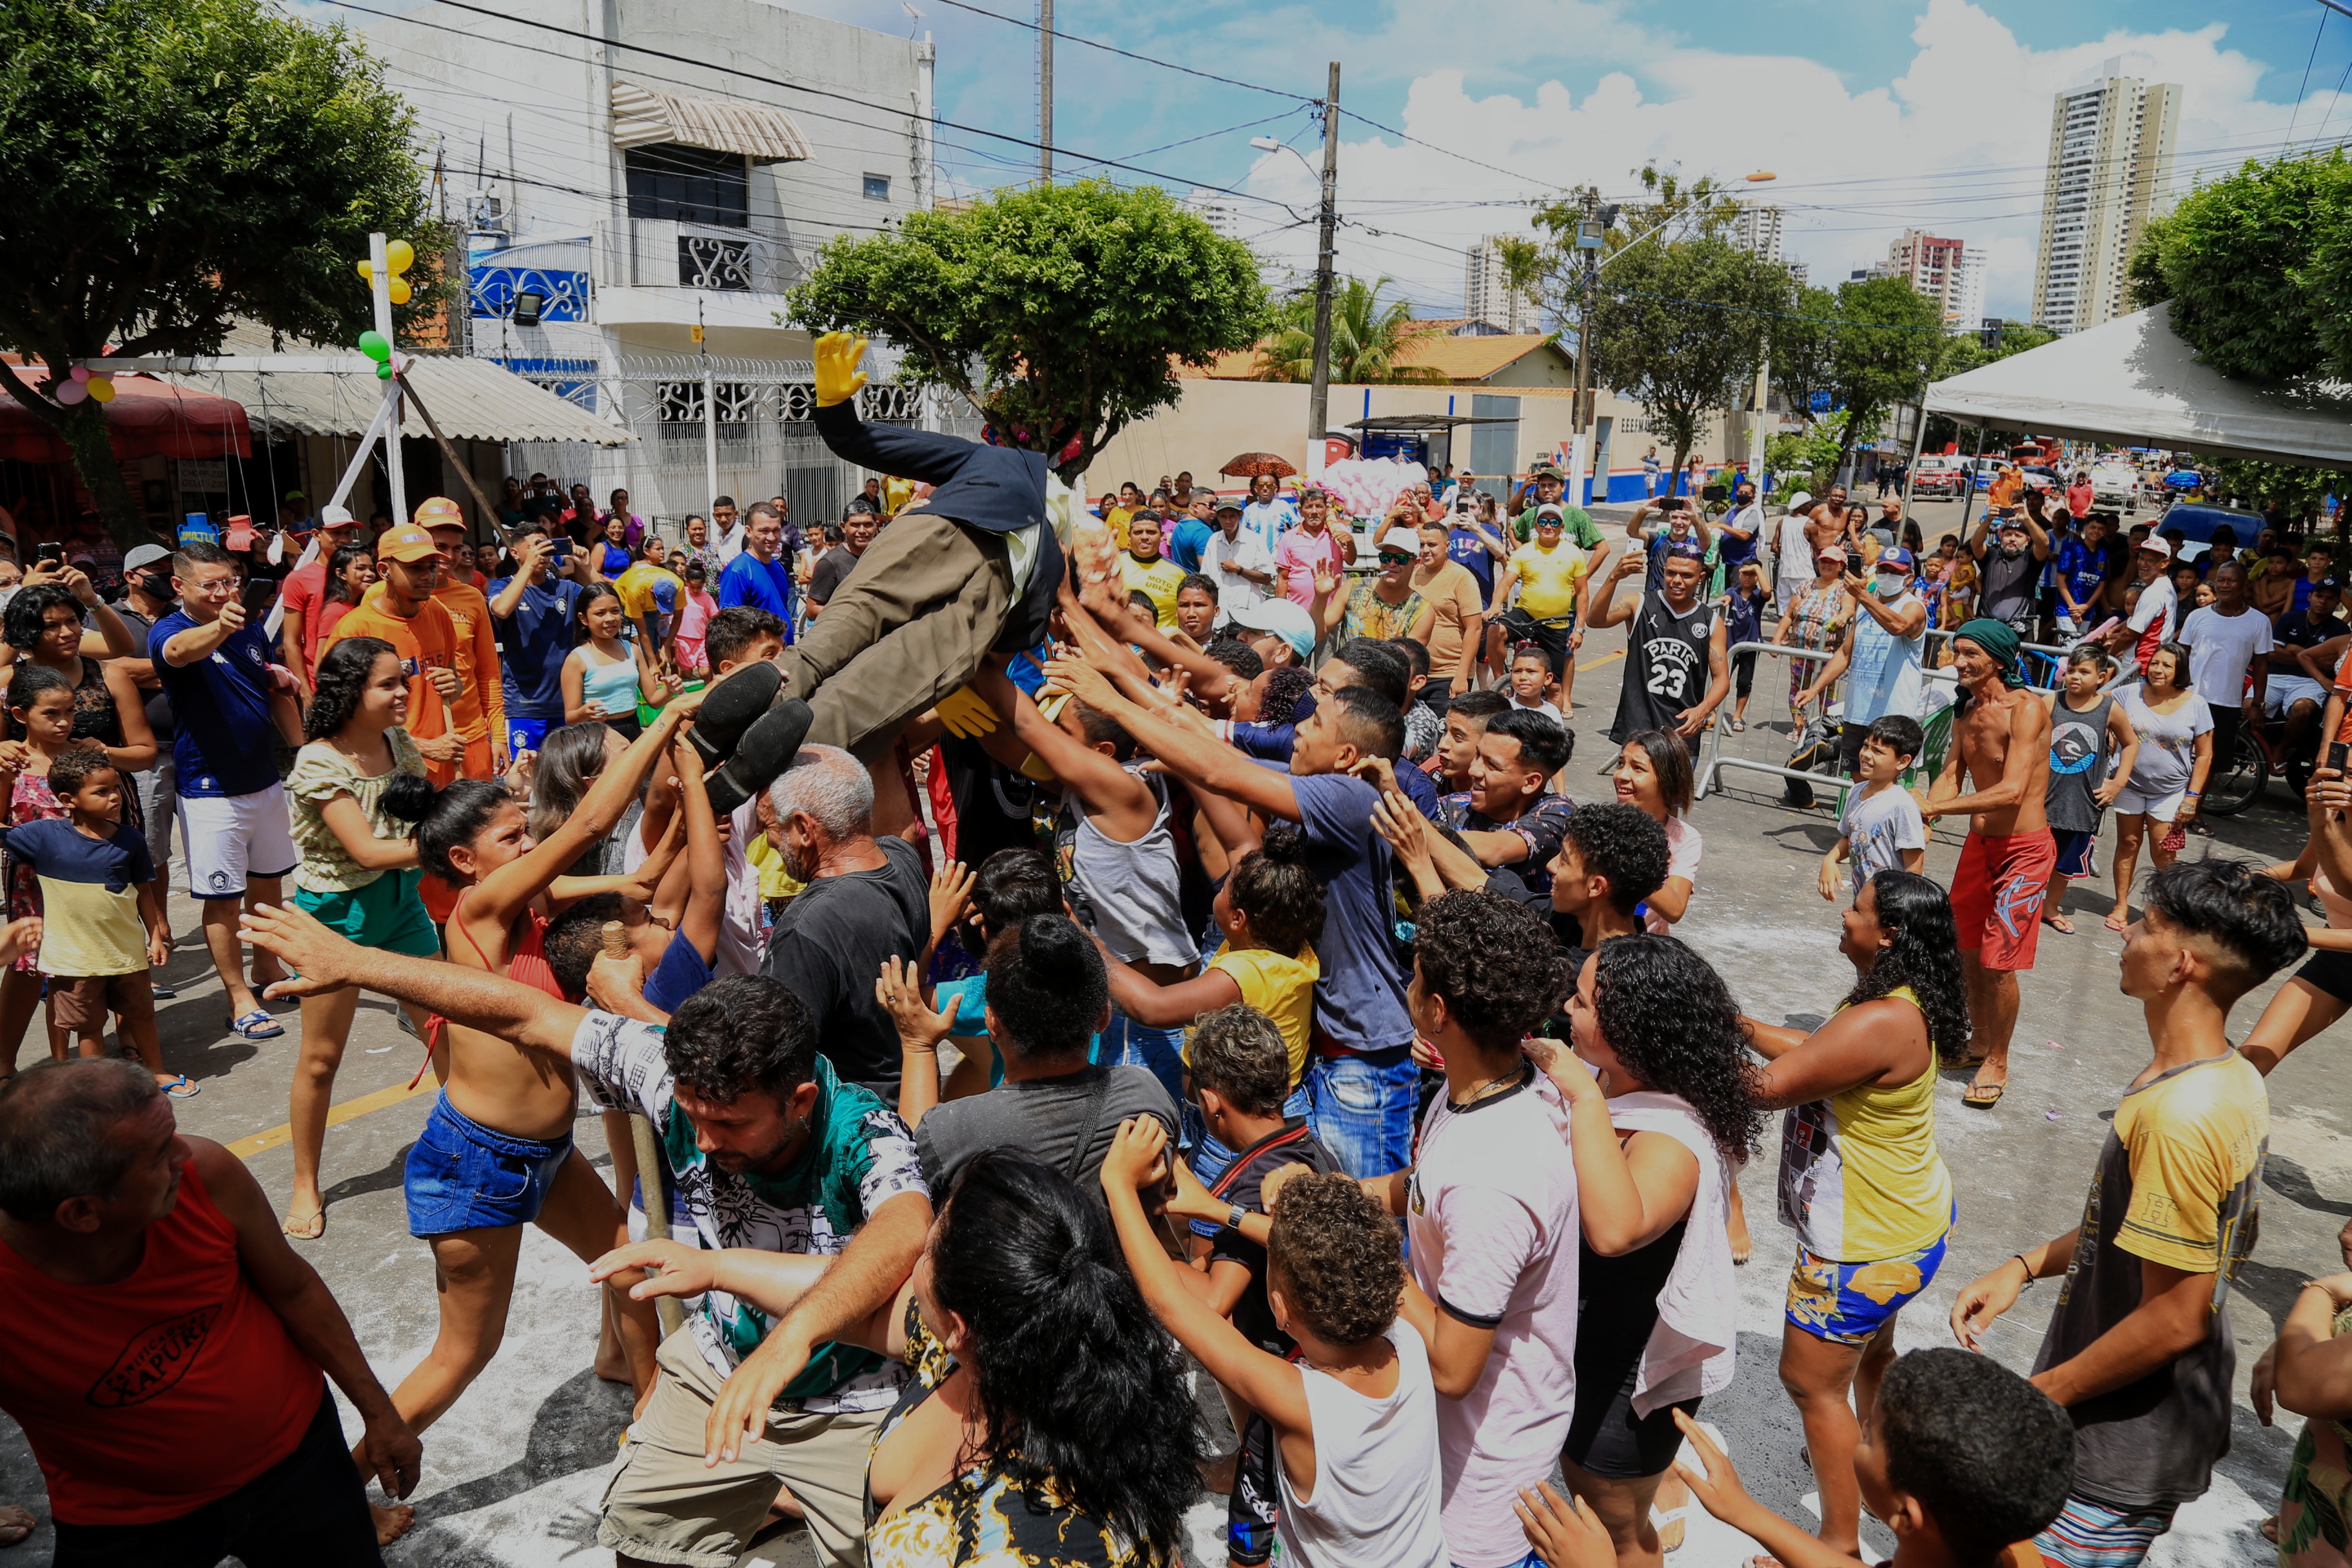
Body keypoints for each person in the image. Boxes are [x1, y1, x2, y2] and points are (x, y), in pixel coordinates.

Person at [240, 903, 934, 1568]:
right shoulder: (666, 1072)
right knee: (639, 1532)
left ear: (800, 1100)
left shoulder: (862, 1133)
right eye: (691, 1116)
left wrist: (791, 1337)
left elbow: (905, 1226)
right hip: (719, 1364)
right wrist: (359, 962)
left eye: (729, 1125)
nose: (702, 1139)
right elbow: (523, 1010)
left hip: (851, 1404)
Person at [1950, 860, 2306, 1568]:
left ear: (2180, 963)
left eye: (2145, 924)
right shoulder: (2219, 1075)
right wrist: (2027, 1265)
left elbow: (2176, 1314)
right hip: (2132, 1418)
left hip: (2120, 1440)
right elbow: (2137, 1224)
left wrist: (2038, 1399)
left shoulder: (2182, 1113)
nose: (2126, 936)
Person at [0, 1057, 424, 1562]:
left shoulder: (207, 1175)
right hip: (129, 1520)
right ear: (82, 1213)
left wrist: (381, 1415)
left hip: (300, 1463)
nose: (187, 1153)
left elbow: (295, 1290)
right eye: (160, 1154)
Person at [1044, 653, 1420, 1181]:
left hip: (1362, 1058)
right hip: (1336, 1049)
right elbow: (1219, 777)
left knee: (1362, 1214)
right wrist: (1174, 747)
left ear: (1347, 754)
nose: (1297, 732)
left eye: (1313, 724)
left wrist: (1110, 702)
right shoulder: (1327, 784)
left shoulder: (1350, 796)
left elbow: (1220, 770)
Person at [1740, 869, 1967, 1561]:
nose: (1846, 913)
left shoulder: (1883, 1018)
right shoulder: (1891, 1000)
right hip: (1905, 1225)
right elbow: (1811, 1052)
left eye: (1859, 908)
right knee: (1874, 1356)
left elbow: (1770, 1088)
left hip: (1861, 1246)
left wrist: (1683, 1034)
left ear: (1889, 931)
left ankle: (1837, 1544)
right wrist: (1737, 1022)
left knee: (1810, 1383)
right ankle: (1878, 1469)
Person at [1104, 1115, 1446, 1568]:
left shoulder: (1297, 1401)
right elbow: (1351, 1247)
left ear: (1280, 1310)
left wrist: (1119, 1186)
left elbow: (1170, 1303)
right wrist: (1221, 1209)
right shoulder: (1412, 1338)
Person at [1520, 936, 1752, 1568]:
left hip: (1623, 1382)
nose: (1568, 1007)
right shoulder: (1614, 1075)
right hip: (1580, 1344)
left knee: (1618, 1535)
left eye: (1583, 1000)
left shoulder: (1668, 1139)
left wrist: (1585, 1096)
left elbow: (1615, 1230)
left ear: (1629, 1031)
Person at [1361, 889, 1576, 1568]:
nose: (1407, 982)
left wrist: (1362, 1251)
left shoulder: (1494, 1174)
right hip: (1455, 1445)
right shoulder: (1482, 1091)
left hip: (1480, 1491)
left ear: (1437, 1012)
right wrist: (1346, 1194)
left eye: (1416, 974)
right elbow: (1424, 1191)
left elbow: (1454, 1365)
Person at [277, 638, 441, 1238]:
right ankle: (304, 1183)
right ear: (350, 694)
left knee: (441, 1031)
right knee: (321, 1060)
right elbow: (369, 851)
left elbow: (421, 811)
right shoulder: (319, 762)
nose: (403, 692)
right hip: (337, 916)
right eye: (388, 685)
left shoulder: (398, 742)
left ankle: (477, 1142)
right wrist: (460, 847)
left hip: (402, 903)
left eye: (404, 680)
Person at [1652, 1351, 2075, 1568]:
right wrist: (1744, 1512)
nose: (1861, 1431)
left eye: (1869, 1434)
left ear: (1906, 1517)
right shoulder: (2014, 1544)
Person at [883, 906, 1177, 1195]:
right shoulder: (1146, 1096)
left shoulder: (952, 1131)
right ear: (1104, 1016)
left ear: (992, 1023)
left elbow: (906, 1185)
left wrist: (917, 1046)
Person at [152, 541, 303, 1041]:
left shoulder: (251, 626)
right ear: (180, 587)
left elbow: (271, 690)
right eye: (211, 585)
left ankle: (268, 971)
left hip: (263, 780)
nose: (224, 592)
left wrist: (302, 752)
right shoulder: (170, 630)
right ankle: (238, 999)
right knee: (223, 899)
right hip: (209, 790)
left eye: (231, 582)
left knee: (268, 887)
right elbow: (178, 654)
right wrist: (221, 626)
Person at [1089, 826, 1323, 1112]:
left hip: (1238, 1125)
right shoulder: (1290, 944)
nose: (1222, 885)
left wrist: (1093, 946)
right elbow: (1240, 843)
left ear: (1238, 919)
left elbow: (1151, 1008)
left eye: (1225, 887)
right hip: (1269, 1108)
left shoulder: (1244, 975)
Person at [1919, 620, 2053, 1110]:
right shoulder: (1967, 710)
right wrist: (1924, 824)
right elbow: (1951, 774)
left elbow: (2012, 790)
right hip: (1979, 850)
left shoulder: (2028, 709)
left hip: (2025, 851)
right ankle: (1977, 1042)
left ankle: (1998, 1057)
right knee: (1965, 948)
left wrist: (1934, 809)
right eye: (1957, 652)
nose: (1959, 661)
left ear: (1998, 659)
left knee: (1999, 962)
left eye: (1970, 653)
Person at [760, 743, 930, 1098]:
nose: (771, 841)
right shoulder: (903, 861)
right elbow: (904, 830)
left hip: (855, 1134)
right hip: (913, 1098)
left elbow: (768, 1062)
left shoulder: (806, 928)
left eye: (774, 827)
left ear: (805, 828)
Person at [1, 743, 173, 1089]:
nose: (115, 797)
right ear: (68, 800)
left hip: (127, 954)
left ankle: (157, 1072)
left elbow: (143, 891)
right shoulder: (43, 837)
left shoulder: (131, 841)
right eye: (102, 791)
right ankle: (98, 1089)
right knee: (87, 1025)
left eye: (115, 789)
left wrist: (155, 935)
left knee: (141, 1014)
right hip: (74, 959)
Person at [322, 522, 463, 787]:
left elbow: (453, 682)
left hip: (440, 765)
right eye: (415, 568)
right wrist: (422, 747)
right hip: (385, 773)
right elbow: (343, 715)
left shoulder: (438, 612)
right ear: (385, 571)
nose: (427, 576)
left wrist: (454, 684)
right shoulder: (355, 628)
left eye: (432, 566)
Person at [2104, 643, 2213, 937]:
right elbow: (2095, 706)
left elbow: (2205, 755)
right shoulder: (2128, 694)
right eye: (2154, 663)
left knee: (2163, 853)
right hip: (2129, 784)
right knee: (2127, 843)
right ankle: (2121, 906)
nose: (2158, 670)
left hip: (2171, 791)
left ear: (2180, 671)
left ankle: (2163, 910)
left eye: (2166, 665)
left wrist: (2192, 797)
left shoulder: (2196, 704)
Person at [1798, 547, 1928, 778]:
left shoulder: (1913, 607)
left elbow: (1898, 626)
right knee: (1858, 777)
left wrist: (1864, 596)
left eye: (1895, 572)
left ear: (1909, 577)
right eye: (1883, 570)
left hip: (1892, 713)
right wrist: (1815, 688)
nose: (1888, 576)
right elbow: (1846, 653)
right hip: (1859, 710)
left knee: (1883, 781)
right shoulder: (1864, 608)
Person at [1587, 547, 1728, 756]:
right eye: (1671, 573)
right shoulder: (1638, 603)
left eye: (1687, 575)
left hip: (1680, 731)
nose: (1677, 580)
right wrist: (1614, 577)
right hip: (1638, 726)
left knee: (1674, 790)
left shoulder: (1711, 622)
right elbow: (1595, 620)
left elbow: (1722, 679)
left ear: (1701, 577)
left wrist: (1703, 710)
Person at [2041, 647, 2137, 939]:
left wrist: (2117, 783)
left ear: (2101, 677)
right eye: (2071, 670)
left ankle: (2051, 907)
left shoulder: (2109, 709)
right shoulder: (2050, 702)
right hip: (2043, 799)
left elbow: (2131, 743)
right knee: (2033, 855)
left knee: (2066, 862)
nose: (2075, 677)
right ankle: (2024, 904)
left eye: (2084, 672)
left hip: (2083, 803)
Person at [1442, 707, 1575, 905]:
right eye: (1478, 756)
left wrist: (1416, 831)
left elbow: (1497, 850)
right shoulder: (1454, 806)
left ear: (1530, 783)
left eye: (1492, 765)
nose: (1474, 770)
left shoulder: (1558, 813)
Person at [416, 498, 506, 779]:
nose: (448, 556)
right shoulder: (382, 599)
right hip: (418, 743)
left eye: (456, 548)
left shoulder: (472, 597)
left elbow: (488, 672)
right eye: (439, 546)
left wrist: (499, 736)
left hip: (470, 737)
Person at [2175, 559, 2269, 823]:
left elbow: (2262, 665)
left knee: (2211, 762)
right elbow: (2182, 654)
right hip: (2190, 697)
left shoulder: (2259, 622)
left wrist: (2258, 703)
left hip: (2227, 703)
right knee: (2178, 757)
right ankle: (2168, 809)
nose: (2225, 585)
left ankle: (2194, 813)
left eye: (2231, 580)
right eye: (2221, 580)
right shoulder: (2198, 616)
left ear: (2245, 585)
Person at [488, 528, 587, 760]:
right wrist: (528, 567)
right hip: (525, 705)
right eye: (535, 546)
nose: (542, 551)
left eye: (546, 545)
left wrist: (587, 567)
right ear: (515, 552)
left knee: (566, 771)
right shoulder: (502, 585)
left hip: (567, 703)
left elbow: (605, 601)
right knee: (526, 775)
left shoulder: (565, 588)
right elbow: (501, 609)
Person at [1817, 715, 1927, 900]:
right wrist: (1830, 859)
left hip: (1892, 906)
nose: (1866, 754)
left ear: (1903, 761)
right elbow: (1849, 836)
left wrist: (1900, 912)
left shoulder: (1902, 806)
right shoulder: (1856, 792)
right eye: (1866, 746)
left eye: (1877, 751)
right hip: (1864, 902)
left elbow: (1914, 869)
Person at [1545, 802, 1669, 965]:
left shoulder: (1590, 980)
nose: (1550, 865)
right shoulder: (1569, 918)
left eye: (1564, 860)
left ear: (1596, 886)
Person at [1489, 504, 1590, 692]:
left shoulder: (1574, 553)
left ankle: (1554, 720)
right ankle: (1501, 683)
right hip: (1526, 613)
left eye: (1554, 522)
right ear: (1536, 526)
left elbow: (1583, 592)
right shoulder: (1524, 552)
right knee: (1495, 630)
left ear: (1562, 527)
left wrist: (1579, 629)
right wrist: (1495, 605)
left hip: (1556, 621)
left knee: (1554, 688)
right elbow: (1505, 583)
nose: (1548, 526)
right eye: (1543, 522)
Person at [1611, 730, 1699, 934]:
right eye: (1621, 764)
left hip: (1643, 951)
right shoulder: (1601, 824)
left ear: (1668, 781)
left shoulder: (1684, 838)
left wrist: (1622, 862)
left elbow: (1674, 909)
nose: (1621, 775)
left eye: (1638, 769)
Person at [274, 502, 364, 687]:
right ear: (316, 535)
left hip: (362, 675)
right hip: (322, 682)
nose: (344, 539)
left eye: (348, 533)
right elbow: (291, 641)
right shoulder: (299, 579)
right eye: (336, 533)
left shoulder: (364, 575)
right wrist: (305, 692)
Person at [561, 582, 654, 741]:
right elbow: (570, 717)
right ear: (583, 618)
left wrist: (670, 688)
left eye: (615, 611)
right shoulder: (577, 660)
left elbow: (654, 699)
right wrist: (584, 713)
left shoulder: (633, 650)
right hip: (598, 737)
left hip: (633, 730)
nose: (610, 618)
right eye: (600, 613)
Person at [1331, 523, 1436, 645]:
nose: (1391, 563)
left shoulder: (1421, 612)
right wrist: (1321, 598)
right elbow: (1319, 631)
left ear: (1416, 564)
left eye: (1401, 558)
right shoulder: (1353, 588)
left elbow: (1407, 659)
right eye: (1386, 557)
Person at [1966, 505, 2051, 632]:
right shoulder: (1991, 556)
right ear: (2001, 538)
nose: (2012, 539)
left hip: (2020, 630)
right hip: (1987, 627)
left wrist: (2027, 519)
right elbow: (1975, 544)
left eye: (2018, 536)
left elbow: (2044, 543)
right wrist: (1988, 520)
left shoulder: (2031, 559)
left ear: (2028, 541)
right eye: (2008, 534)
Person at [716, 500, 798, 632]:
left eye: (776, 531)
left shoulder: (778, 568)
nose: (771, 537)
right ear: (748, 531)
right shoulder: (738, 572)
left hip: (783, 651)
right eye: (764, 531)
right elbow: (731, 628)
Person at [2102, 535, 2179, 673]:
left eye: (2151, 561)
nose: (2143, 564)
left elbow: (2129, 635)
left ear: (2165, 563)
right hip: (2148, 664)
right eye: (2142, 558)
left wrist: (2109, 656)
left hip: (2141, 667)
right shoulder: (2164, 586)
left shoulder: (2155, 592)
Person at [1275, 487, 1352, 612]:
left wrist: (1351, 543)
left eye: (1319, 506)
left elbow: (1351, 560)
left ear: (1327, 509)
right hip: (1297, 610)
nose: (1314, 511)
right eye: (1309, 507)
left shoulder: (1338, 533)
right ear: (1300, 511)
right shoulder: (1289, 537)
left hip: (1330, 611)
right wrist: (1281, 610)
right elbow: (1283, 578)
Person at [1720, 560, 1770, 732]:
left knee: (1744, 682)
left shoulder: (1758, 596)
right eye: (1745, 573)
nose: (1748, 577)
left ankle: (1737, 715)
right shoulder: (1733, 591)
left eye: (1752, 574)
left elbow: (1768, 591)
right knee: (1721, 678)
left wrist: (1756, 567)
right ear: (1739, 574)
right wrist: (1725, 599)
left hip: (1749, 646)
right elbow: (1727, 597)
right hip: (1730, 644)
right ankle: (1713, 713)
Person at [1205, 497, 1277, 612]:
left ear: (1240, 516)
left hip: (1249, 609)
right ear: (1218, 517)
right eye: (1224, 517)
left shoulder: (1254, 540)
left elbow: (1266, 579)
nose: (1228, 521)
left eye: (1232, 516)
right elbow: (1206, 578)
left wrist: (1239, 570)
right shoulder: (1213, 541)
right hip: (1221, 609)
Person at [808, 507, 878, 615]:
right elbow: (812, 610)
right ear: (843, 527)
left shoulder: (881, 555)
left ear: (876, 525)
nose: (862, 531)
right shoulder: (829, 563)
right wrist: (851, 612)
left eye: (868, 525)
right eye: (855, 525)